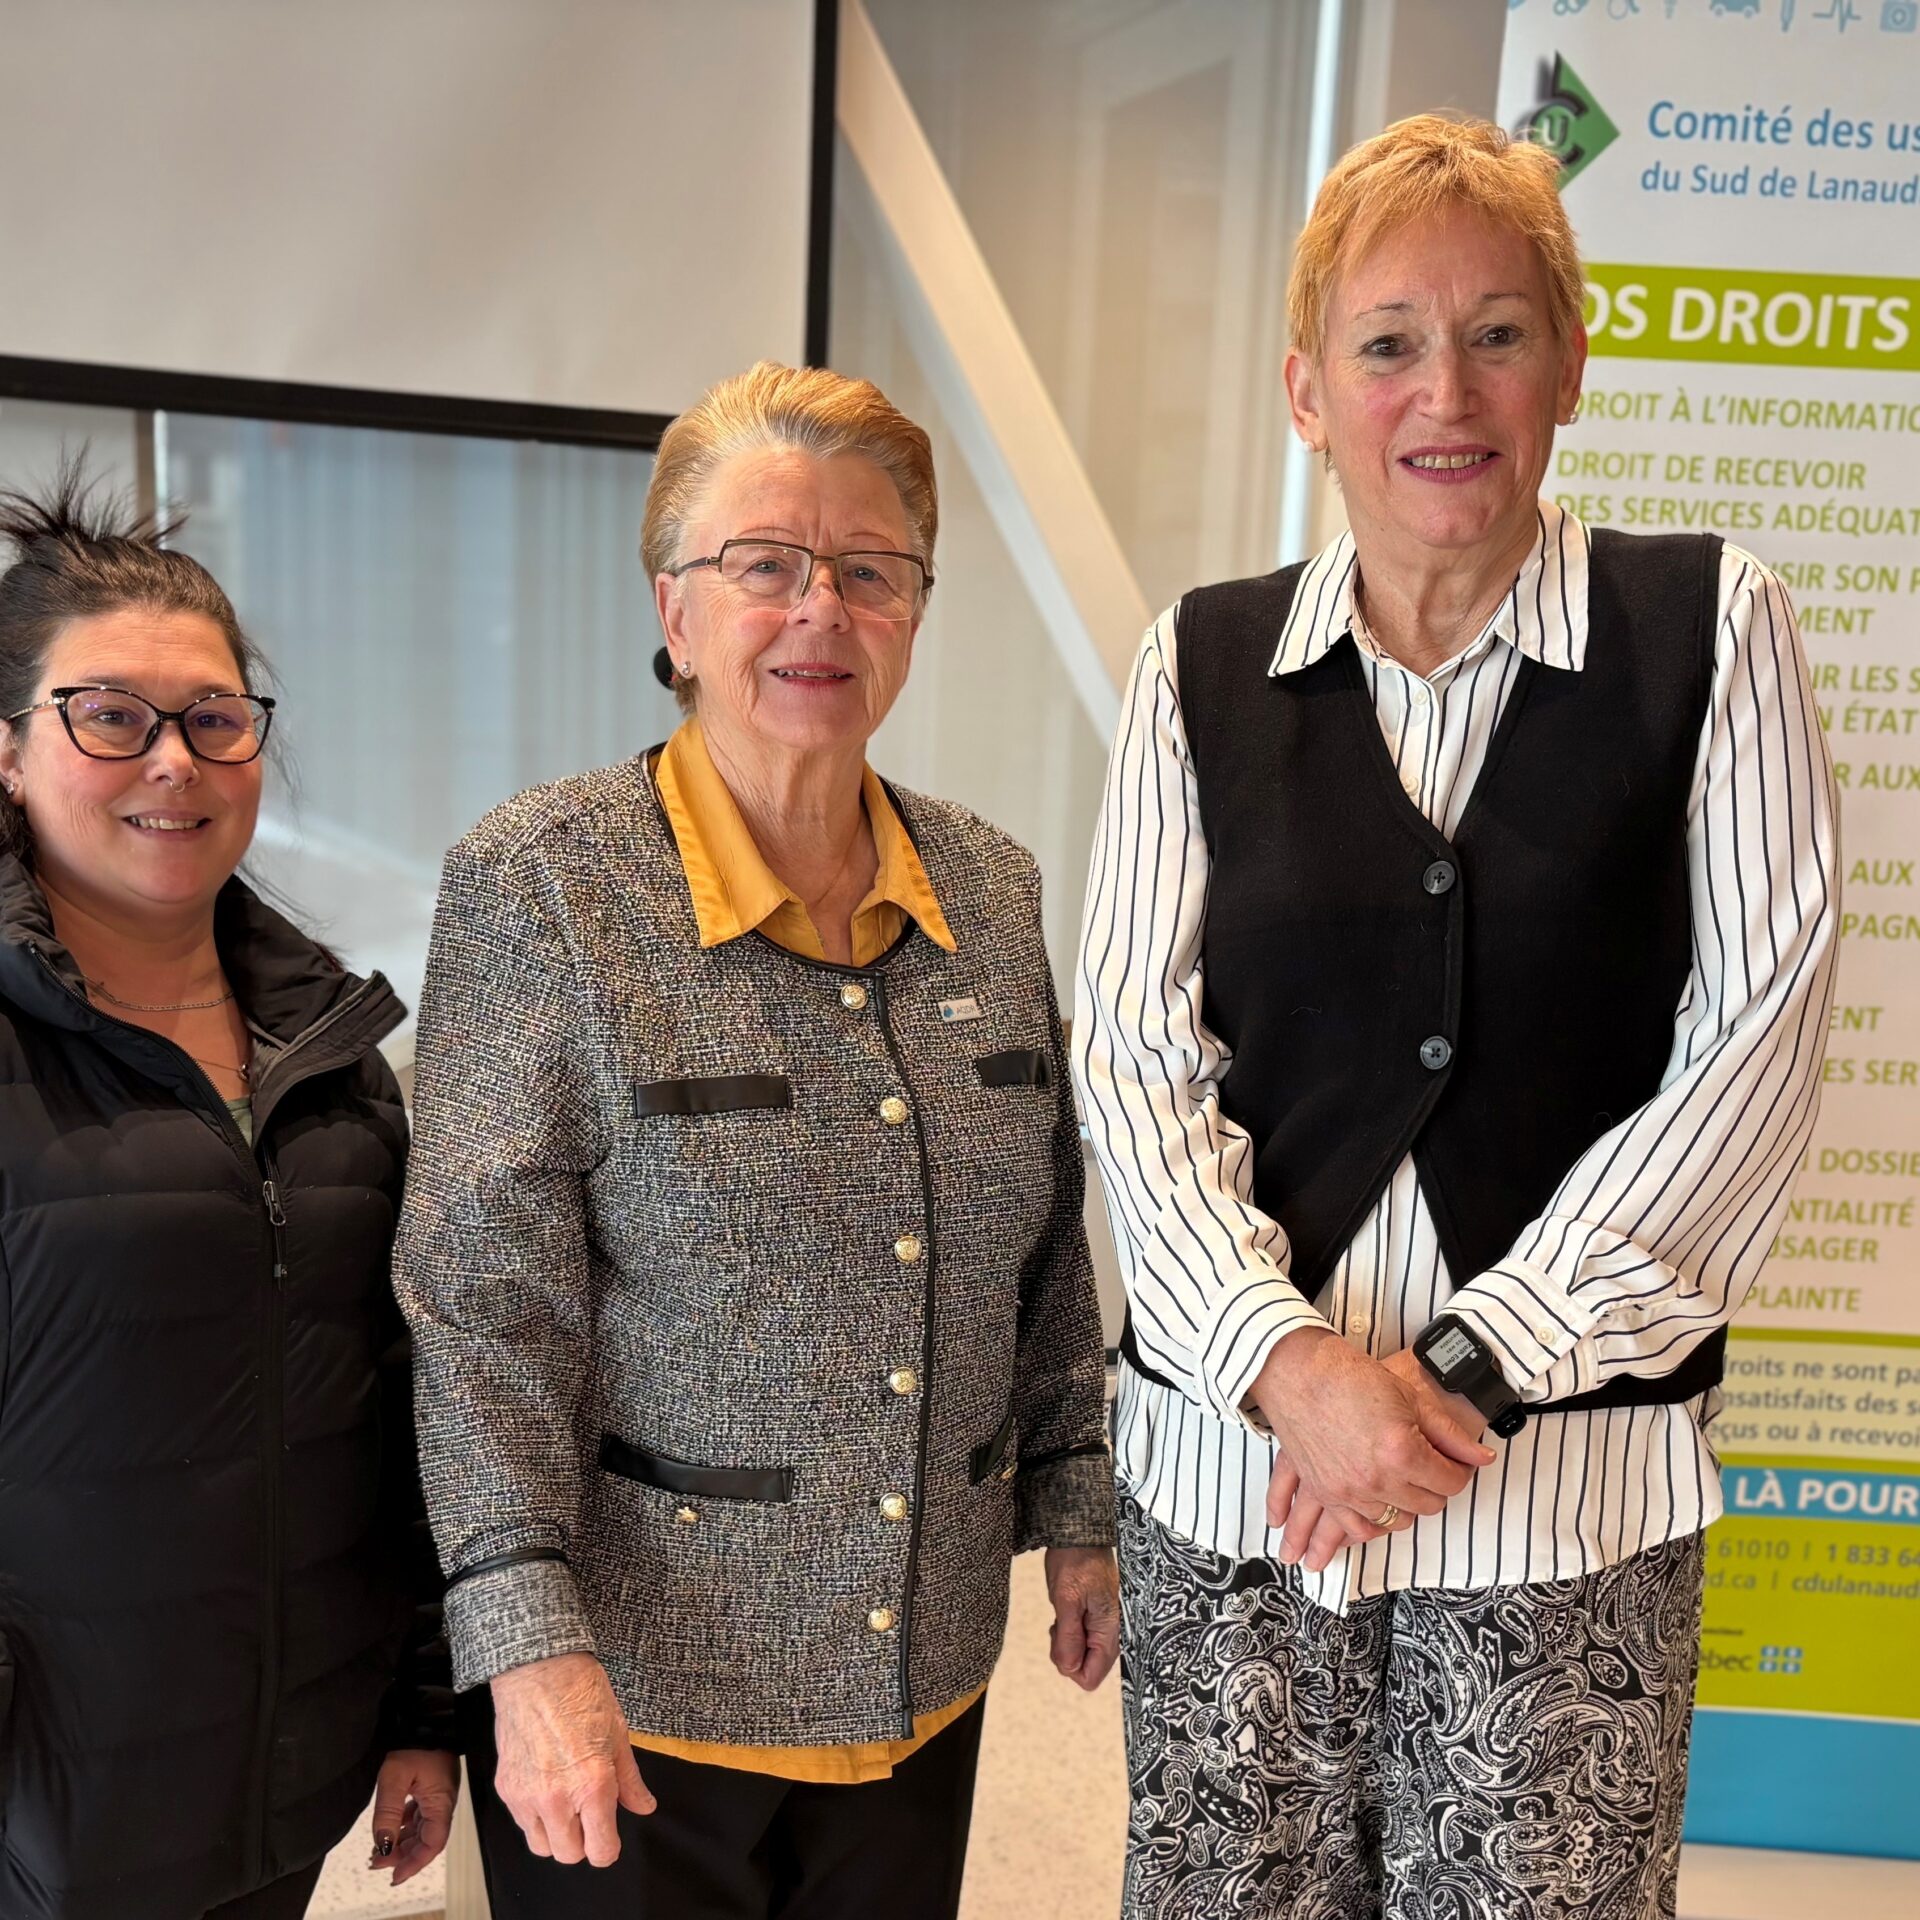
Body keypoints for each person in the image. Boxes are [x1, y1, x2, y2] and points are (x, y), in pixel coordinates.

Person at [1076, 115, 1838, 1920]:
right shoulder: (1194, 662)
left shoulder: (1712, 633)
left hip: (1567, 1496)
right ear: (1306, 391)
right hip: (1239, 1488)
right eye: (1389, 340)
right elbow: (1132, 1054)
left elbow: (1755, 1046)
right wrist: (1292, 1370)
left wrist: (1463, 1376)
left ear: (1570, 365)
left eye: (1500, 329)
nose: (1448, 389)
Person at [395, 361, 1119, 1920]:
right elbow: (478, 1310)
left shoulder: (989, 888)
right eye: (766, 566)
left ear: (916, 610)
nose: (823, 611)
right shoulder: (543, 886)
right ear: (674, 609)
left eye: (871, 570)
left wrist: (1074, 1503)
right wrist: (524, 1646)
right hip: (639, 1704)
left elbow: (1042, 1243)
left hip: (920, 1670)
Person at [0, 466, 458, 1919]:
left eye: (214, 717)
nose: (174, 762)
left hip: (281, 1787)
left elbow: (404, 1416)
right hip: (44, 1818)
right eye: (109, 716)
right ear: (9, 750)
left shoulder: (336, 1064)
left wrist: (418, 1706)